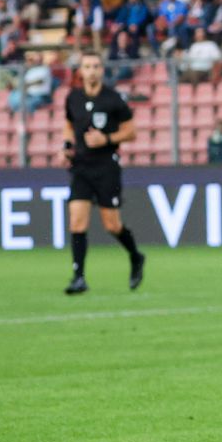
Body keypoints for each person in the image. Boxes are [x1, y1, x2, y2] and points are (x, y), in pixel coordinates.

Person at [59, 52, 145, 295]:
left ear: (102, 70)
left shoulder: (113, 99)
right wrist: (66, 147)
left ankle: (136, 256)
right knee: (77, 220)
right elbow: (68, 125)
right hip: (81, 167)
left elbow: (131, 131)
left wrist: (106, 138)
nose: (92, 70)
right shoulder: (73, 98)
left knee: (111, 225)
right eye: (88, 66)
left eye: (96, 66)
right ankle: (78, 277)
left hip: (106, 166)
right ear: (81, 71)